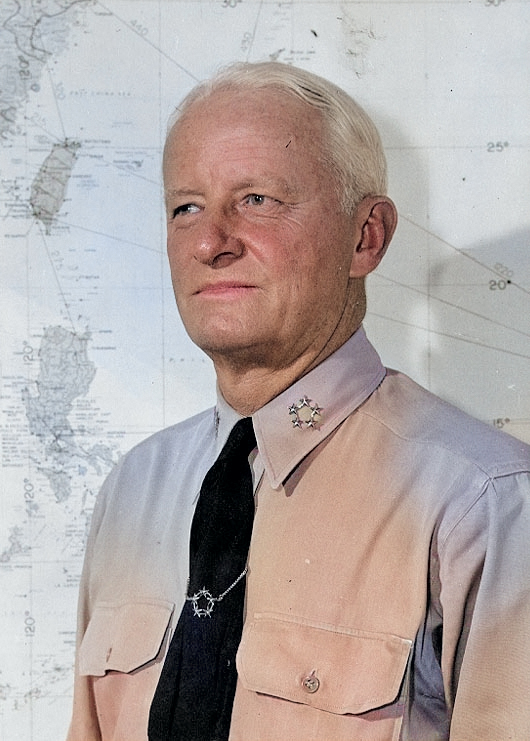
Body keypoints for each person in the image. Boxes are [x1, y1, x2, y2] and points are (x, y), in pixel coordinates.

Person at [66, 62, 530, 741]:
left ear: (365, 236)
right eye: (185, 206)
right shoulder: (132, 490)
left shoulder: (484, 504)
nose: (209, 242)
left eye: (257, 199)